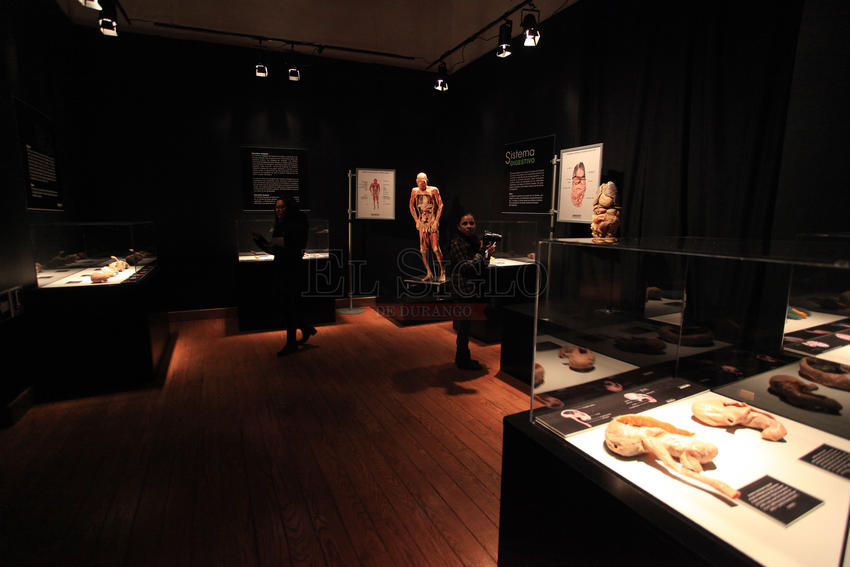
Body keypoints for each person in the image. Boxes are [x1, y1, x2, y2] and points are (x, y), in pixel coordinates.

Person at [252, 196, 317, 355]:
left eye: (282, 207)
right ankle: (305, 328)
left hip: (292, 270)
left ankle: (292, 343)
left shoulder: (297, 225)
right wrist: (260, 241)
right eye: (276, 207)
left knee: (289, 306)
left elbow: (293, 250)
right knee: (286, 304)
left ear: (289, 208)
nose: (278, 210)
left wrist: (275, 248)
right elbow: (274, 249)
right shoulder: (280, 225)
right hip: (282, 268)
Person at [448, 212, 496, 370]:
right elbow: (467, 267)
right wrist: (482, 252)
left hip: (472, 288)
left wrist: (487, 255)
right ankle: (462, 360)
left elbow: (481, 265)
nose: (469, 226)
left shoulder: (474, 241)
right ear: (458, 226)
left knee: (466, 326)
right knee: (463, 327)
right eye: (465, 223)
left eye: (472, 223)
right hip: (462, 289)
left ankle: (463, 358)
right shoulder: (457, 243)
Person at [408, 172, 446, 282]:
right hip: (422, 223)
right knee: (423, 250)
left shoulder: (433, 190)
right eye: (419, 181)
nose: (421, 183)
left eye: (423, 181)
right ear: (416, 181)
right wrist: (416, 220)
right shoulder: (415, 191)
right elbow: (411, 206)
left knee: (435, 248)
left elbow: (440, 205)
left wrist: (436, 221)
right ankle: (429, 272)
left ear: (427, 181)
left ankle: (442, 271)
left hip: (432, 221)